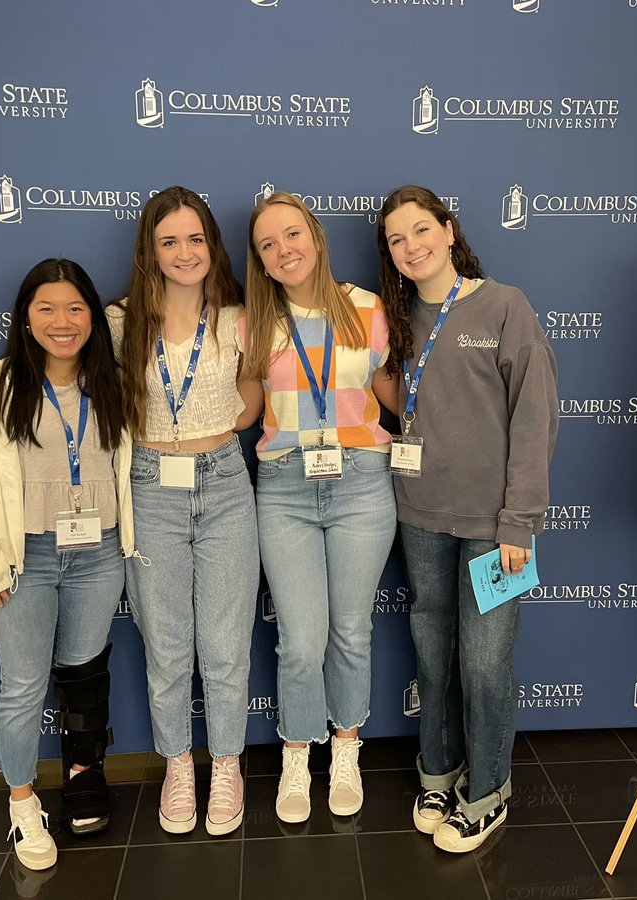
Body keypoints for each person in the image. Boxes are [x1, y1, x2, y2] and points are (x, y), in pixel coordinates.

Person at [377, 185, 559, 853]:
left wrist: (520, 521)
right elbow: (408, 405)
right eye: (397, 239)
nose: (412, 246)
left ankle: (488, 790)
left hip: (493, 525)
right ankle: (439, 769)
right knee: (432, 655)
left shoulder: (504, 306)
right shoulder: (394, 320)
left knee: (484, 664)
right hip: (420, 514)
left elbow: (534, 419)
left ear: (449, 230)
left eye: (421, 229)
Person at [0, 258, 134, 871]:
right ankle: (23, 804)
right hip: (27, 558)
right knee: (24, 685)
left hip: (98, 551)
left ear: (93, 318)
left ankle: (83, 772)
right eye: (46, 308)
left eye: (75, 308)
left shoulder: (112, 381)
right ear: (25, 318)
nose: (62, 321)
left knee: (83, 672)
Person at [107, 187, 261, 836]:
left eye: (195, 238)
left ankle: (225, 763)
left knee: (225, 644)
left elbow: (251, 399)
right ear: (150, 250)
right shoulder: (119, 323)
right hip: (150, 487)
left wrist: (212, 429)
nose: (184, 252)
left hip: (224, 481)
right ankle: (178, 764)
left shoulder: (238, 319)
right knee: (168, 648)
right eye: (169, 241)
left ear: (211, 245)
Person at [241, 190, 398, 823]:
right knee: (301, 641)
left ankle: (346, 753)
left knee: (350, 631)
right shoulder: (255, 321)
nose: (284, 251)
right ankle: (296, 761)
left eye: (292, 235)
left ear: (317, 235)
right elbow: (249, 411)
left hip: (362, 482)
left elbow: (393, 396)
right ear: (260, 259)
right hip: (283, 487)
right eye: (268, 245)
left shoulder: (368, 309)